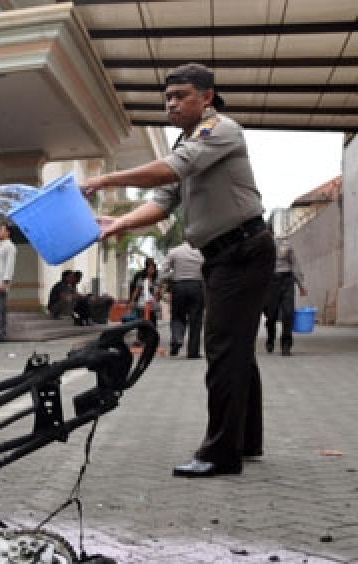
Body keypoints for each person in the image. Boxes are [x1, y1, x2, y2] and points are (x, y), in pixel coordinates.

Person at [80, 62, 274, 478]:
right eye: (167, 97)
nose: (171, 104)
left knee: (222, 348)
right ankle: (247, 439)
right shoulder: (186, 141)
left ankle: (221, 454)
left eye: (181, 95)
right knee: (235, 346)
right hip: (224, 254)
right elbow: (165, 199)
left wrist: (107, 179)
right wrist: (120, 223)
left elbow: (170, 171)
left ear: (206, 96)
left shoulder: (220, 129)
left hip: (243, 250)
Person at [160, 242, 206, 358]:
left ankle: (176, 340)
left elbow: (163, 271)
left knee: (177, 316)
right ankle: (193, 352)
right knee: (196, 320)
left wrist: (174, 274)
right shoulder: (201, 251)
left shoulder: (174, 251)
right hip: (197, 286)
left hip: (178, 287)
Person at [264, 236, 307, 356]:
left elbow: (295, 265)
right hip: (271, 283)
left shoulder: (286, 245)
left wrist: (301, 285)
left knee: (288, 313)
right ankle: (270, 339)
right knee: (271, 315)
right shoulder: (262, 248)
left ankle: (286, 345)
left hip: (287, 281)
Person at [128, 258, 163, 323]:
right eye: (150, 269)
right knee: (142, 322)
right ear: (146, 268)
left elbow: (158, 293)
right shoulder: (141, 277)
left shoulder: (156, 279)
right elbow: (136, 290)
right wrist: (132, 301)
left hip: (152, 305)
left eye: (153, 269)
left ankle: (150, 332)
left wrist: (159, 295)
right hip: (142, 304)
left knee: (152, 322)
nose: (152, 271)